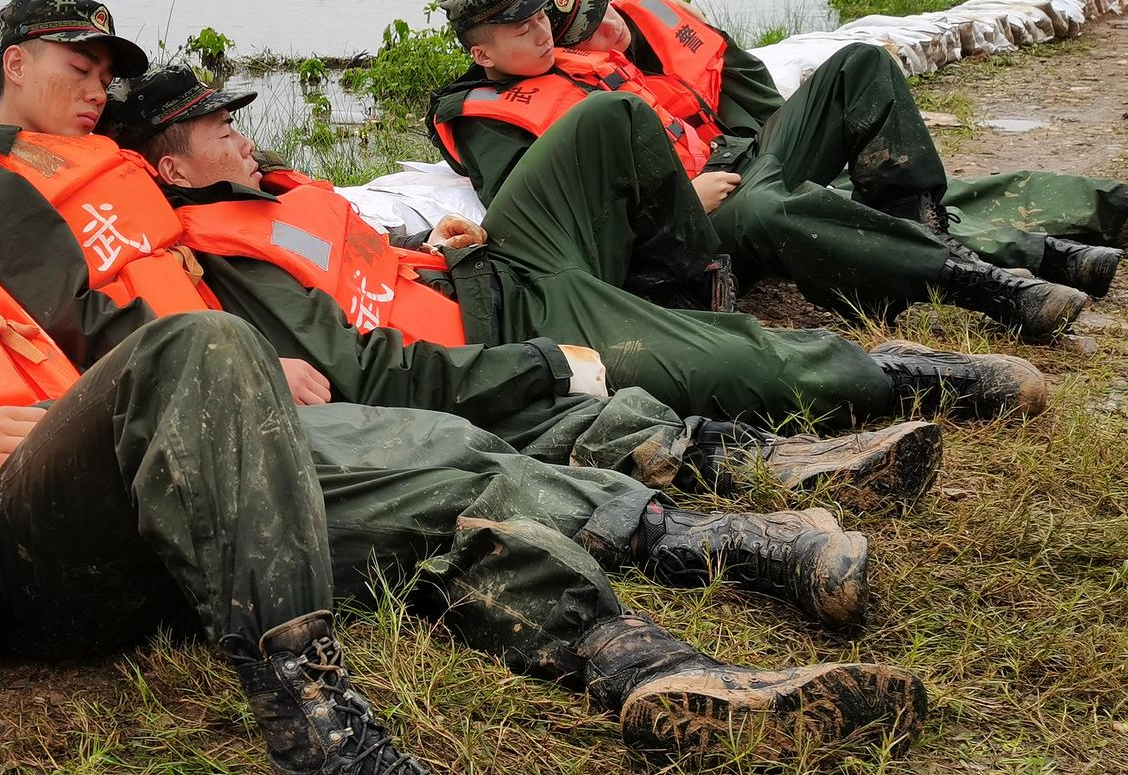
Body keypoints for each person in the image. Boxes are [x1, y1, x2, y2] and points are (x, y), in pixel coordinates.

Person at [0, 138, 929, 775]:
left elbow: (116, 363)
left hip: (128, 493)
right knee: (210, 348)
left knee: (429, 464)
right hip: (3, 531)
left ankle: (663, 629)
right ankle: (323, 751)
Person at [105, 62, 998, 474]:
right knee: (739, 363)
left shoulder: (276, 194)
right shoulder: (225, 257)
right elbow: (368, 370)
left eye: (235, 117)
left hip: (495, 267)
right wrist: (537, 365)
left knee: (611, 118)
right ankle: (910, 376)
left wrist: (435, 252)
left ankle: (695, 278)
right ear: (173, 169)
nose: (244, 133)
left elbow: (367, 271)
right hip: (513, 330)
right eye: (220, 128)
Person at [427, 0, 1089, 342]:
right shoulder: (485, 120)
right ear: (481, 52)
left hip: (726, 165)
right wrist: (684, 202)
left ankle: (918, 228)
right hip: (677, 237)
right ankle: (981, 285)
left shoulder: (570, 62)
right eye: (521, 28)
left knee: (856, 65)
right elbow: (550, 220)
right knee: (773, 209)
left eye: (541, 16)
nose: (541, 30)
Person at [593, 0, 1125, 293]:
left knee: (891, 155)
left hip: (757, 162)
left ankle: (1104, 209)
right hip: (716, 205)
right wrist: (687, 201)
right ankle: (1038, 257)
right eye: (589, 27)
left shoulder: (661, 55)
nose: (609, 24)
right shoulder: (582, 105)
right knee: (838, 210)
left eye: (606, 11)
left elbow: (763, 103)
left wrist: (716, 38)